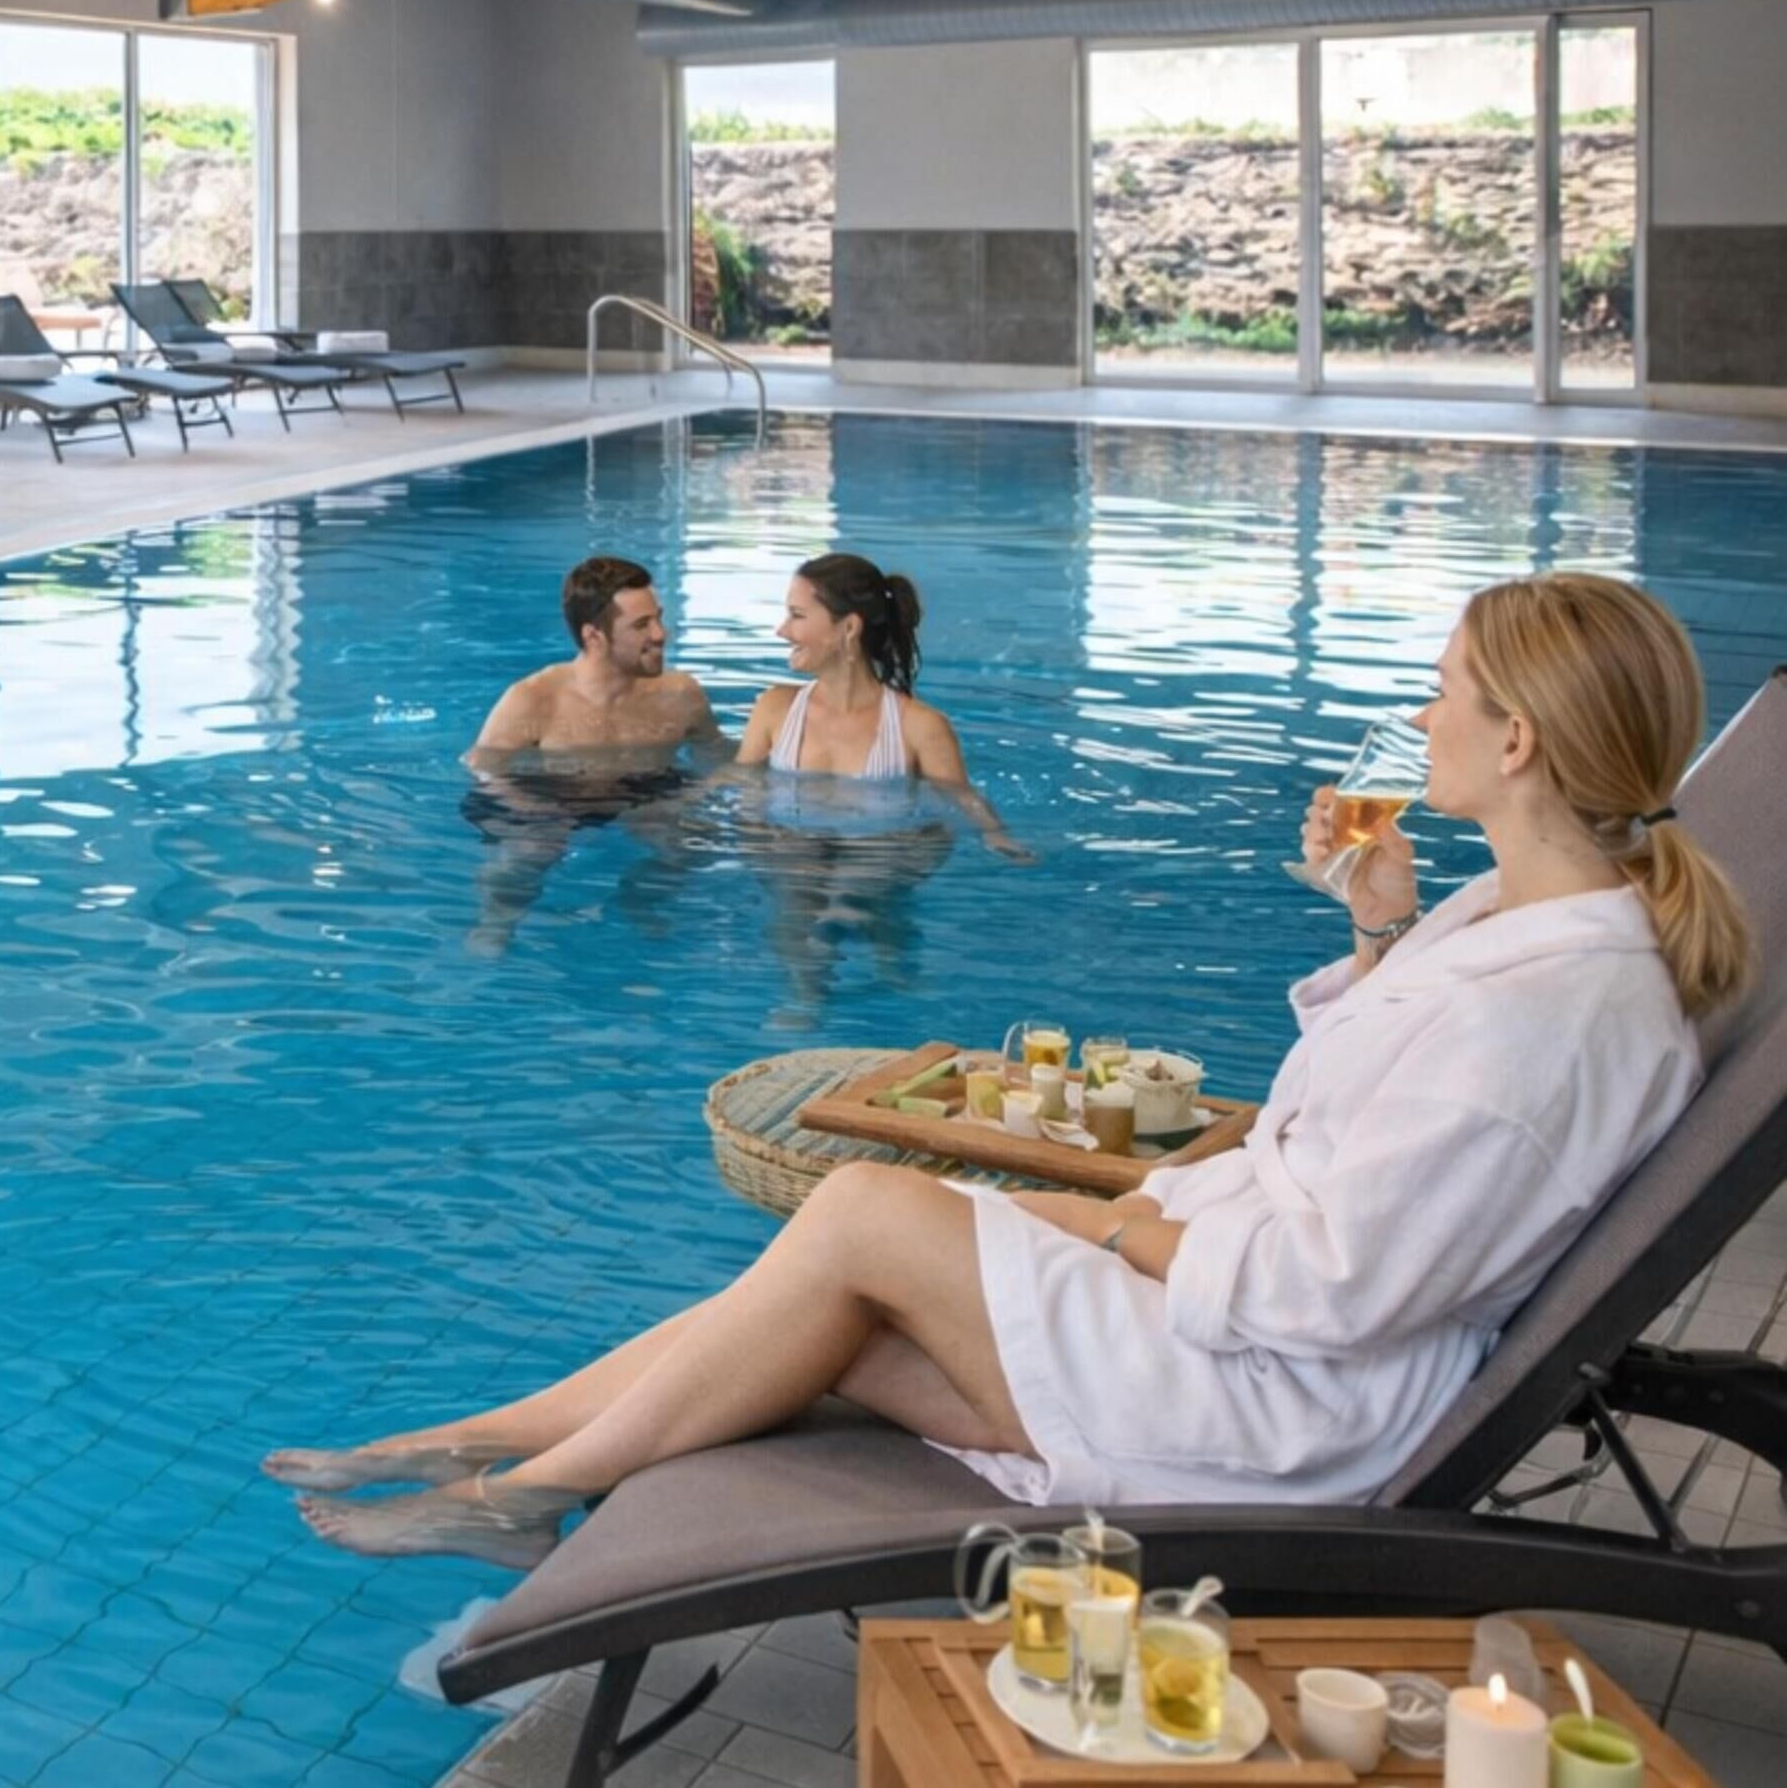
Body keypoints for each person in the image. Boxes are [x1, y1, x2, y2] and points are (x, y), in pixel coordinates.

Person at [267, 573, 1752, 1560]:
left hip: (1288, 1412)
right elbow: (1382, 1151)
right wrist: (1380, 936)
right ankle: (485, 1447)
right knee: (823, 1297)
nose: (1419, 715)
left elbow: (1336, 1290)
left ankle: (527, 1490)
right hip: (1245, 1321)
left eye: (1443, 693)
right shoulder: (1524, 927)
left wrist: (1102, 1218)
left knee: (857, 1210)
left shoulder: (1541, 1017)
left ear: (1519, 741)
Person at [460, 556, 723, 952]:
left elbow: (717, 756)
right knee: (529, 851)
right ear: (594, 636)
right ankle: (497, 922)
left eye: (658, 618)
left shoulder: (680, 696)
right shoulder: (534, 699)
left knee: (697, 840)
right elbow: (481, 770)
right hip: (555, 795)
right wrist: (535, 811)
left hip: (644, 787)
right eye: (641, 625)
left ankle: (640, 900)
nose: (661, 634)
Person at [734, 553, 1024, 857]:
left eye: (797, 615)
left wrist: (997, 835)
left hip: (881, 851)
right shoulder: (774, 708)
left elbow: (961, 797)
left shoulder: (920, 726)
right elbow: (742, 782)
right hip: (793, 845)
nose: (783, 631)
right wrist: (689, 807)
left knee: (857, 882)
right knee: (794, 859)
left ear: (848, 628)